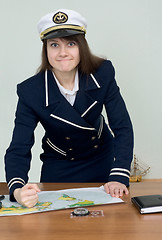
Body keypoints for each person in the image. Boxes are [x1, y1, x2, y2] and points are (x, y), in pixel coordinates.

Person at [4, 9, 134, 208]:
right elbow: (19, 147)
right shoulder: (30, 91)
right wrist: (17, 189)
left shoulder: (103, 73)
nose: (62, 53)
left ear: (81, 47)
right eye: (54, 45)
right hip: (59, 164)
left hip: (102, 158)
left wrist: (119, 174)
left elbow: (122, 126)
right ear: (45, 50)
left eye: (71, 44)